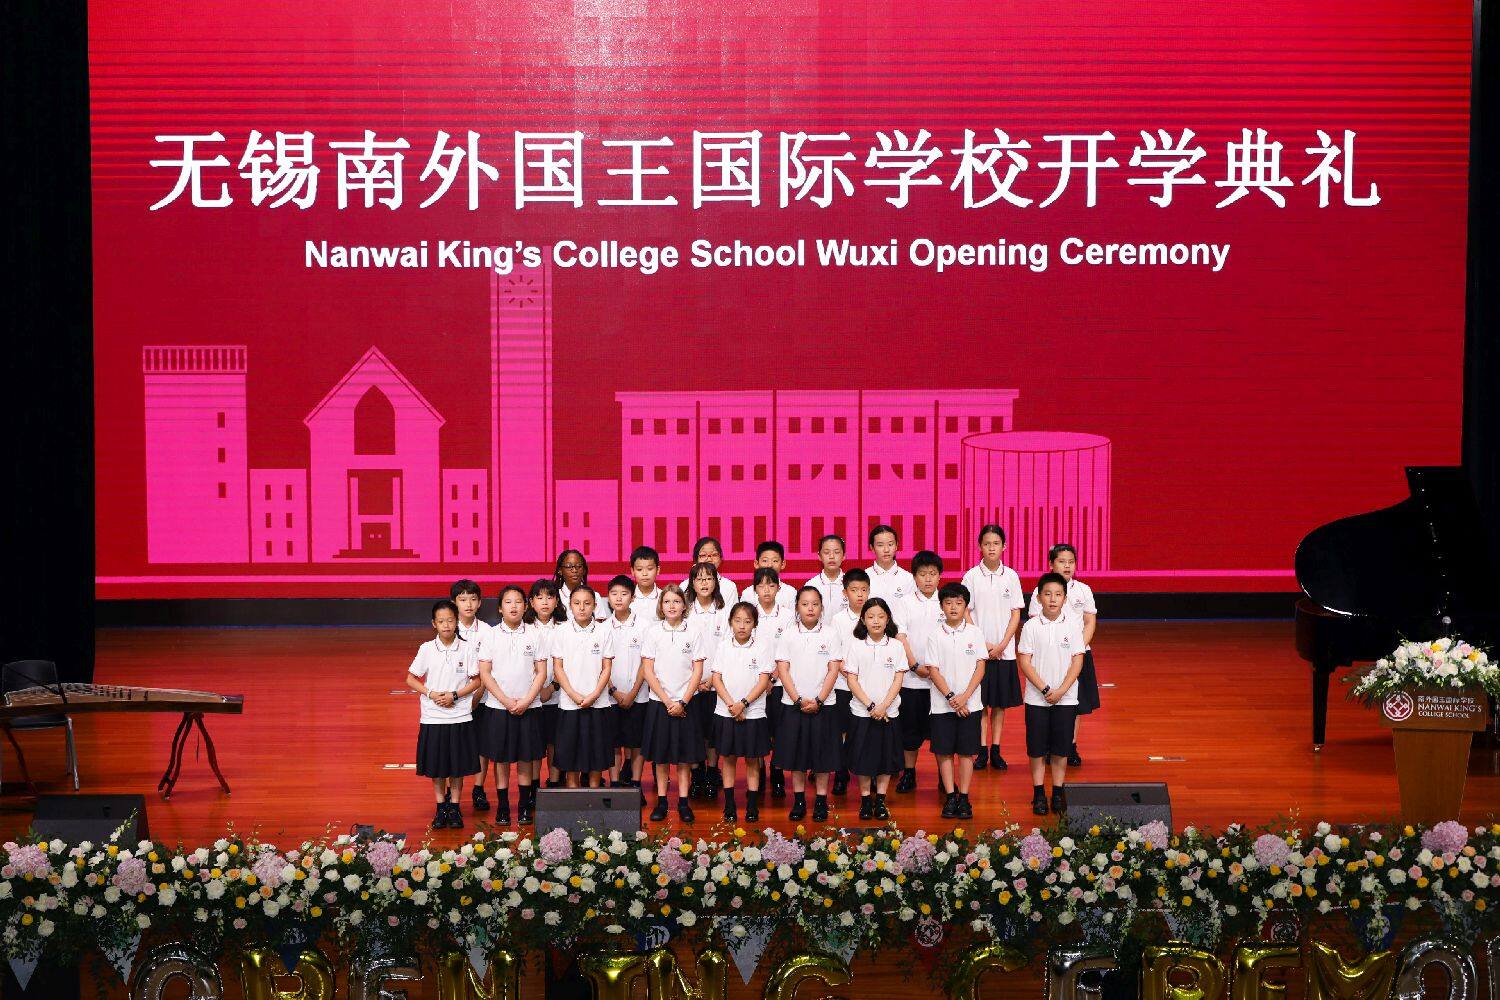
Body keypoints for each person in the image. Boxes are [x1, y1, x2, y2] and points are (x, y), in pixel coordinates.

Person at [406, 599, 482, 830]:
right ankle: (441, 808)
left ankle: (455, 807)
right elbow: (411, 679)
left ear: (457, 621)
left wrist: (455, 695)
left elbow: (476, 681)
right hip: (433, 716)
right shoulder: (427, 648)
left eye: (450, 620)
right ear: (434, 624)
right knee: (437, 768)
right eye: (441, 621)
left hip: (459, 716)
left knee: (457, 767)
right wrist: (431, 693)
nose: (447, 625)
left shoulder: (467, 648)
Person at [1017, 572, 1086, 816]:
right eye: (1047, 594)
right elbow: (1025, 662)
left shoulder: (1073, 625)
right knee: (1036, 749)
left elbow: (1078, 659)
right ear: (1039, 597)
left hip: (1066, 698)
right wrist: (1046, 689)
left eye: (1058, 594)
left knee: (1061, 749)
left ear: (1065, 598)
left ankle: (1057, 791)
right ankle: (1038, 793)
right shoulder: (1031, 626)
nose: (1053, 599)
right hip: (1037, 698)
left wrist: (1062, 690)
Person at [476, 584, 546, 825]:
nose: (514, 606)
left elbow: (541, 672)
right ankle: (503, 806)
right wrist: (505, 700)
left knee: (526, 758)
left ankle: (524, 805)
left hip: (530, 706)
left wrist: (526, 700)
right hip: (498, 707)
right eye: (508, 602)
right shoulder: (490, 636)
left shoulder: (535, 634)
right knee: (501, 760)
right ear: (499, 608)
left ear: (525, 606)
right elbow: (485, 673)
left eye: (518, 602)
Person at [772, 586, 842, 822]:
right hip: (793, 705)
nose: (810, 608)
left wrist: (819, 699)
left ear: (822, 608)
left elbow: (834, 669)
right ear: (797, 608)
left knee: (823, 757)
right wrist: (798, 699)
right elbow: (783, 669)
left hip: (825, 705)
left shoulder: (831, 634)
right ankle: (799, 800)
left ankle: (821, 801)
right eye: (805, 604)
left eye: (815, 604)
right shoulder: (789, 634)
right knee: (796, 756)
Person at [639, 585, 707, 822]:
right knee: (661, 757)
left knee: (684, 758)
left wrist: (683, 701)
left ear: (684, 605)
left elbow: (697, 670)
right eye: (667, 602)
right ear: (661, 606)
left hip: (687, 703)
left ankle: (684, 803)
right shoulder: (653, 632)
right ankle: (662, 802)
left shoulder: (694, 632)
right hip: (660, 703)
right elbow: (647, 670)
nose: (671, 606)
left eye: (676, 601)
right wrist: (668, 701)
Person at [1027, 544, 1099, 766]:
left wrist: (1077, 649)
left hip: (1078, 655)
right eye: (1061, 561)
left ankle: (1070, 745)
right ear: (1051, 564)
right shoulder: (1040, 593)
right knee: (1047, 702)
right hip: (1048, 658)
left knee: (1073, 703)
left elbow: (1089, 622)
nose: (1067, 566)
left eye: (1071, 562)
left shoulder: (1083, 590)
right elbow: (1034, 624)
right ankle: (1049, 747)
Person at [960, 524, 1024, 772]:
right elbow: (965, 611)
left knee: (999, 704)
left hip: (1004, 651)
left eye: (996, 544)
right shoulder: (971, 576)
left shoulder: (1011, 576)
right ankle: (982, 750)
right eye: (987, 544)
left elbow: (1015, 612)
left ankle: (996, 749)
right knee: (981, 702)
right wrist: (984, 645)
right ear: (980, 547)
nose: (991, 548)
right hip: (979, 653)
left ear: (1004, 547)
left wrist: (1003, 644)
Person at [841, 597, 909, 821]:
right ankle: (865, 800)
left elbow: (898, 679)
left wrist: (884, 705)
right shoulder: (856, 646)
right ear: (863, 620)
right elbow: (852, 680)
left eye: (880, 616)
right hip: (862, 713)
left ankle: (880, 800)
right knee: (863, 759)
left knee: (885, 759)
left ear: (887, 618)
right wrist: (871, 706)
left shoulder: (897, 646)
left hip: (889, 713)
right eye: (870, 617)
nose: (876, 621)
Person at [923, 583, 986, 820]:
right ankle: (950, 796)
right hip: (942, 705)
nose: (953, 607)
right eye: (948, 603)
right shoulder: (935, 634)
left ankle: (964, 797)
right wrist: (951, 697)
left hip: (971, 704)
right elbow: (933, 669)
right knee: (944, 753)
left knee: (967, 753)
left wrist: (965, 697)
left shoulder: (975, 633)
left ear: (965, 606)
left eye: (959, 603)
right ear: (941, 606)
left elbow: (980, 667)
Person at [709, 602, 776, 822]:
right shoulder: (722, 646)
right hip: (726, 711)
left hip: (753, 713)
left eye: (748, 622)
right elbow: (716, 678)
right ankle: (729, 804)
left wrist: (744, 704)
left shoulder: (762, 646)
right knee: (727, 759)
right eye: (737, 621)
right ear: (730, 622)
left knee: (751, 759)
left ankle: (752, 805)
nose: (742, 626)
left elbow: (764, 680)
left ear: (754, 624)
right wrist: (732, 705)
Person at [551, 586, 616, 788]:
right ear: (570, 606)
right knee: (571, 758)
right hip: (570, 704)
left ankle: (594, 802)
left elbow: (606, 668)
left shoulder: (604, 631)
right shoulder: (561, 631)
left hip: (598, 703)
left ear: (595, 606)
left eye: (587, 603)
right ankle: (573, 805)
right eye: (577, 603)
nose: (582, 608)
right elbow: (558, 668)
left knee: (597, 758)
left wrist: (594, 695)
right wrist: (573, 694)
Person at [894, 550, 944, 793]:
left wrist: (935, 670)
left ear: (939, 576)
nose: (927, 579)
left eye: (932, 574)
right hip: (912, 681)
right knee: (910, 732)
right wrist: (914, 665)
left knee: (940, 733)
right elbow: (900, 636)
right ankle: (909, 774)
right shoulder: (904, 602)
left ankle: (944, 778)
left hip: (940, 682)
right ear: (914, 576)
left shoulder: (947, 601)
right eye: (922, 574)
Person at [687, 561, 731, 800]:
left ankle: (713, 772)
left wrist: (714, 680)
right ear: (692, 583)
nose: (704, 583)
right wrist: (694, 682)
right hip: (690, 685)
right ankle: (697, 774)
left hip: (717, 683)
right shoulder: (685, 610)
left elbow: (726, 649)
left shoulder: (724, 613)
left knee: (713, 733)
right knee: (694, 732)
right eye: (699, 579)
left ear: (716, 582)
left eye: (709, 578)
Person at [826, 567, 871, 796]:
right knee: (842, 732)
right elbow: (835, 653)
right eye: (854, 590)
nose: (859, 594)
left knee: (865, 731)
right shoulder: (838, 619)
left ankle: (868, 773)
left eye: (864, 589)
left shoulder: (875, 614)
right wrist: (849, 674)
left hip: (869, 687)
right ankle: (841, 774)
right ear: (845, 593)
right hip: (843, 685)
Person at [451, 579, 495, 813]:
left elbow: (489, 668)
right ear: (454, 603)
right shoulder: (448, 627)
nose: (468, 604)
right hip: (454, 699)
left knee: (482, 746)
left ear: (479, 603)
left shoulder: (488, 631)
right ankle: (451, 792)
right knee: (454, 746)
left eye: (473, 599)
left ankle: (478, 789)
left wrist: (477, 695)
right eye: (462, 599)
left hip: (482, 697)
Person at [602, 575, 648, 788]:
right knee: (613, 743)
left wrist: (633, 692)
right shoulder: (602, 628)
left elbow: (646, 663)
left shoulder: (645, 627)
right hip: (610, 698)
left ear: (633, 597)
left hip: (639, 696)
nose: (619, 598)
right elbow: (601, 665)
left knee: (636, 743)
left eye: (624, 594)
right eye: (614, 594)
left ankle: (636, 784)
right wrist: (614, 691)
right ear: (608, 598)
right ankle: (615, 785)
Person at [749, 566, 792, 797]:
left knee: (777, 730)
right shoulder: (748, 613)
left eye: (771, 585)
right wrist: (760, 680)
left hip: (778, 683)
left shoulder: (786, 616)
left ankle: (777, 773)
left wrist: (772, 677)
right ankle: (759, 772)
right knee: (757, 731)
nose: (766, 590)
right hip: (754, 684)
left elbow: (788, 651)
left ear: (778, 587)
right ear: (754, 589)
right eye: (761, 585)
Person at [523, 579, 568, 786]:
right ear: (531, 602)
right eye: (539, 597)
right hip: (529, 698)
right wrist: (536, 690)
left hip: (558, 697)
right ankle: (532, 788)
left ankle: (554, 783)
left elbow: (570, 663)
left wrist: (553, 687)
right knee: (532, 746)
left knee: (555, 743)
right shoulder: (523, 629)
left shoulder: (565, 628)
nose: (544, 602)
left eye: (550, 597)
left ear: (557, 601)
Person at [680, 535, 739, 607]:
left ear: (720, 559)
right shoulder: (684, 586)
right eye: (703, 555)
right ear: (695, 559)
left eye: (714, 555)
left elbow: (733, 616)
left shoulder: (729, 586)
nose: (709, 559)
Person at [866, 523, 915, 606]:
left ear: (896, 546)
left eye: (890, 544)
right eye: (880, 545)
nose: (886, 550)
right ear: (872, 548)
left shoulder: (908, 579)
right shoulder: (864, 577)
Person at [804, 533, 849, 622]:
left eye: (836, 552)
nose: (831, 556)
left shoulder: (852, 585)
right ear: (819, 556)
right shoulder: (811, 585)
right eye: (826, 552)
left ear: (844, 556)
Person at [739, 541, 796, 609]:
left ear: (783, 564)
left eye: (775, 561)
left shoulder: (791, 593)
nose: (770, 565)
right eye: (765, 560)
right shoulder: (748, 593)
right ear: (756, 563)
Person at [629, 546, 664, 620]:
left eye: (650, 569)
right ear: (632, 571)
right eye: (639, 569)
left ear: (658, 570)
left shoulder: (664, 597)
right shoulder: (627, 598)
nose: (644, 573)